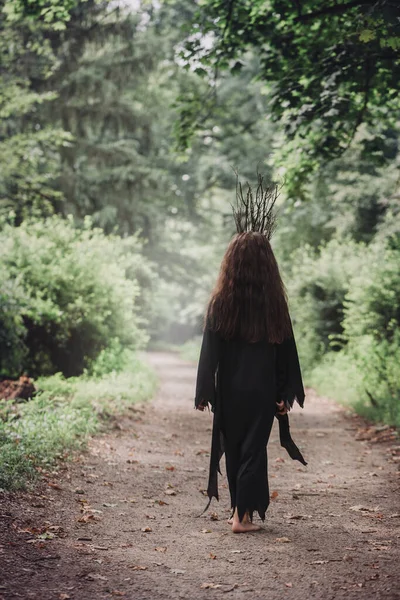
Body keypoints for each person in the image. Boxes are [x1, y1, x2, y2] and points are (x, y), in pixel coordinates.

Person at [194, 177, 306, 534]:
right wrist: (286, 394)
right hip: (261, 390)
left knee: (236, 447)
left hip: (229, 389)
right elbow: (287, 350)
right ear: (267, 266)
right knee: (254, 450)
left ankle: (238, 512)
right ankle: (241, 517)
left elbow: (209, 349)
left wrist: (204, 392)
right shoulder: (274, 305)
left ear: (233, 263)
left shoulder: (220, 303)